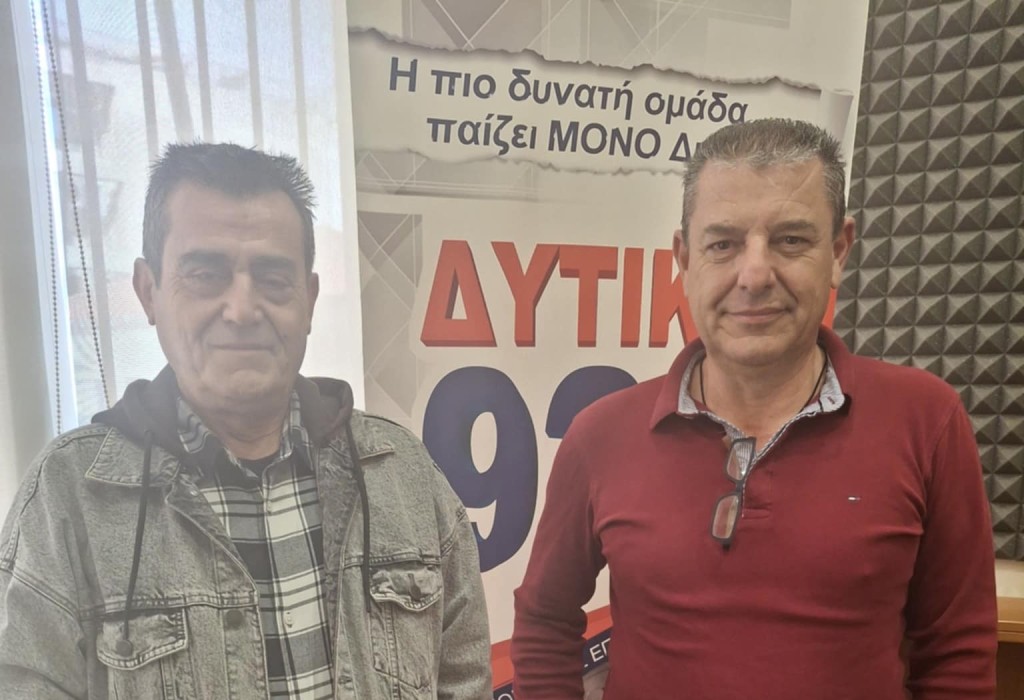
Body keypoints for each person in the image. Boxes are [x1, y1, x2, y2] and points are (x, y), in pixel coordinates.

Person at [510, 118, 997, 699]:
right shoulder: (600, 436)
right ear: (684, 259)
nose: (755, 274)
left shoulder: (927, 421)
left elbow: (955, 653)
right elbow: (544, 623)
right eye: (723, 244)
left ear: (839, 251)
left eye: (791, 240)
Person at [0, 143, 492, 699]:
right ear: (148, 291)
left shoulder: (402, 476)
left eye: (273, 278)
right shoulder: (68, 500)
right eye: (205, 274)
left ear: (308, 299)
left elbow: (464, 681)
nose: (241, 310)